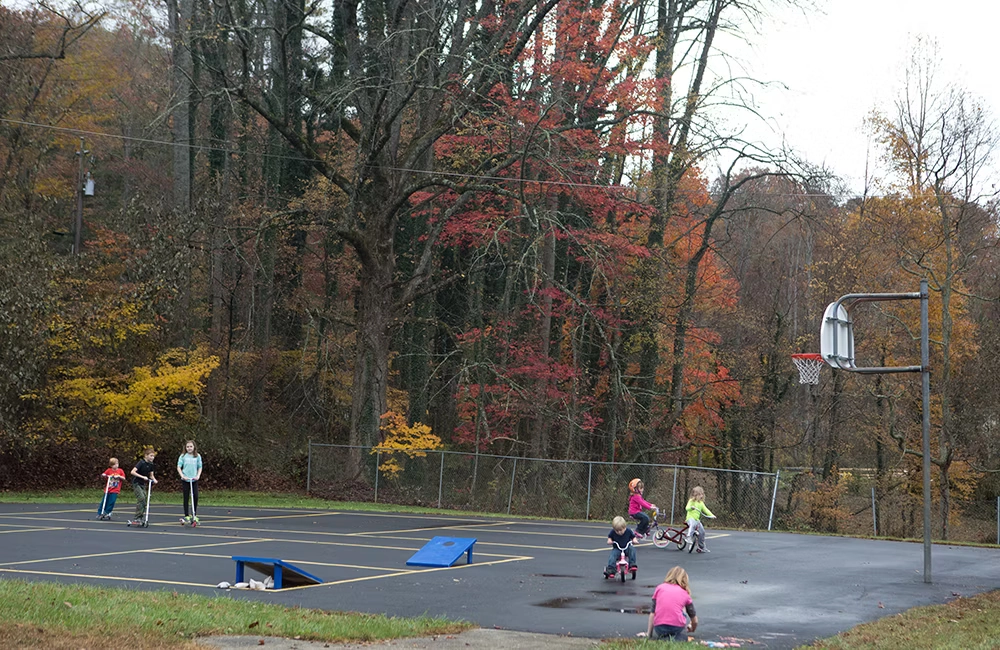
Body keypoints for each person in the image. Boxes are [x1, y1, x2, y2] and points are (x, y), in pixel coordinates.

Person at [643, 566, 698, 641]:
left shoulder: (659, 588)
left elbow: (653, 612)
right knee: (682, 607)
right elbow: (694, 618)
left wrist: (649, 634)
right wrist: (692, 628)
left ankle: (665, 638)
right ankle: (679, 638)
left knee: (660, 608)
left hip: (659, 627)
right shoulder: (685, 593)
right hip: (676, 627)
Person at [128, 447, 157, 525]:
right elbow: (132, 472)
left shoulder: (151, 464)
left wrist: (154, 479)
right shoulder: (141, 462)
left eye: (153, 456)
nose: (152, 457)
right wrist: (142, 477)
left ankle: (140, 517)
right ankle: (136, 518)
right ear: (146, 455)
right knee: (141, 498)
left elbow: (151, 475)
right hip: (136, 483)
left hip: (143, 484)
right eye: (151, 456)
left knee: (144, 501)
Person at [177, 439, 203, 524]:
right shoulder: (183, 456)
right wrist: (182, 476)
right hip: (186, 479)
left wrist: (198, 476)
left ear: (194, 447)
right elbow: (178, 467)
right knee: (186, 497)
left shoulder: (197, 456)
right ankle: (186, 515)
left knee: (195, 496)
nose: (189, 448)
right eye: (187, 447)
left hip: (194, 479)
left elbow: (200, 467)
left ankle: (194, 514)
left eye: (191, 446)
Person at [685, 485, 716, 553]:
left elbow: (706, 510)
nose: (701, 496)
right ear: (695, 495)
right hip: (690, 518)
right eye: (699, 494)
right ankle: (689, 537)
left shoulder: (701, 503)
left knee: (702, 532)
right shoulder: (691, 501)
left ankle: (701, 547)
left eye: (702, 494)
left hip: (697, 520)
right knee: (692, 525)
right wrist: (691, 508)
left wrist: (712, 515)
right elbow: (687, 508)